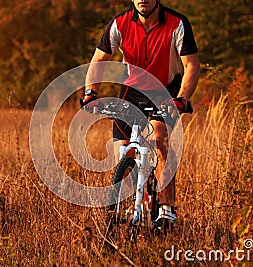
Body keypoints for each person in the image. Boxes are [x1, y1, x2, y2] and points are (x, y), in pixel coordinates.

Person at [81, 0, 200, 231]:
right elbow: (99, 60)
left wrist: (182, 98)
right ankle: (125, 205)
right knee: (122, 149)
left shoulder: (177, 23)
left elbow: (191, 66)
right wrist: (90, 93)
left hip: (165, 91)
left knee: (159, 138)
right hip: (130, 92)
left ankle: (166, 208)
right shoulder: (120, 23)